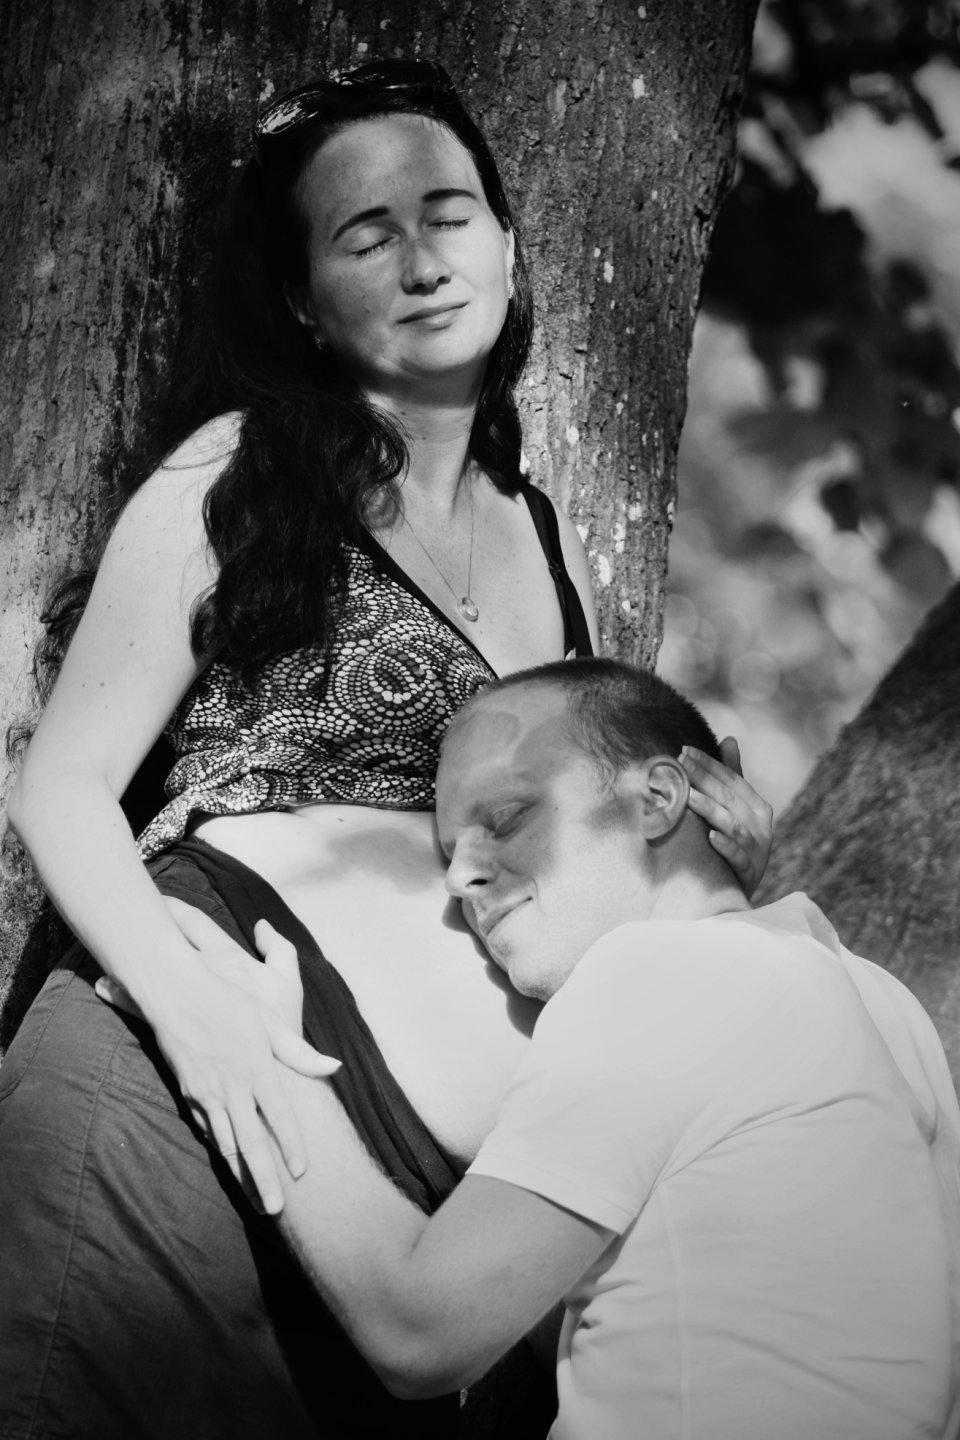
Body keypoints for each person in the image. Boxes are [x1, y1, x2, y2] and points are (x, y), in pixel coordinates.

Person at [0, 61, 772, 1438]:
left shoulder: (544, 541)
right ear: (304, 299)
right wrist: (196, 1018)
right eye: (367, 236)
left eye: (450, 216)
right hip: (177, 1110)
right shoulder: (239, 470)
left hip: (396, 1226)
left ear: (509, 247)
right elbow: (62, 785)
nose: (422, 262)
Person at [256, 657, 960, 1440]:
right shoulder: (880, 1002)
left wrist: (256, 1051)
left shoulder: (659, 971)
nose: (459, 879)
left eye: (508, 817)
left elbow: (421, 1333)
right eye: (450, 851)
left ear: (656, 800)